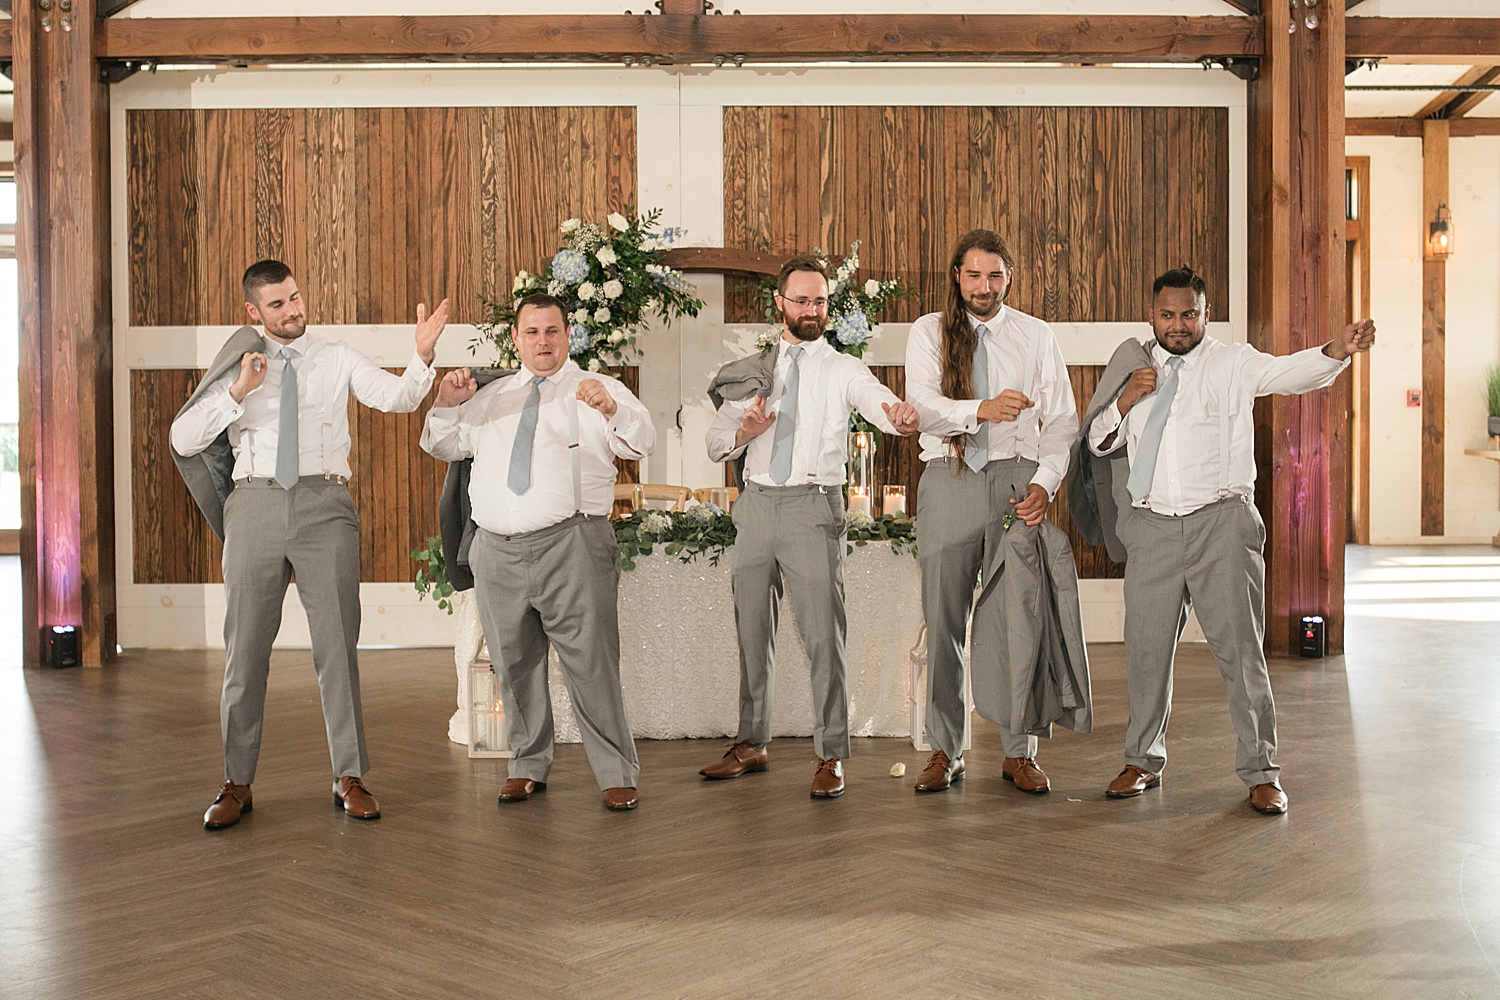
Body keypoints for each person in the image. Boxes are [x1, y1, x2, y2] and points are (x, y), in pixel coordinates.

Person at [1084, 266, 1375, 815]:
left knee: (1242, 655)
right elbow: (1098, 444)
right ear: (1151, 315)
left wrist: (1336, 349)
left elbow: (1288, 373)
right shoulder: (1133, 367)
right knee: (1146, 655)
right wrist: (1124, 402)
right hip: (1152, 528)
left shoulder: (1232, 362)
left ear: (1205, 313)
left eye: (1188, 314)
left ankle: (1262, 771)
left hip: (1222, 522)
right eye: (1167, 315)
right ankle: (1141, 759)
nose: (1177, 325)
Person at [171, 259, 448, 829]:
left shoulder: (335, 355)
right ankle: (235, 781)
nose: (293, 310)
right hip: (254, 506)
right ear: (253, 312)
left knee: (337, 647)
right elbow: (182, 436)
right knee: (244, 651)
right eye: (277, 304)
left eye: (295, 297)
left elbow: (396, 399)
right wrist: (237, 392)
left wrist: (420, 356)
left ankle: (349, 775)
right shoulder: (238, 367)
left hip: (326, 507)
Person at [421, 292, 651, 811]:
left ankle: (616, 771)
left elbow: (642, 442)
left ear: (568, 335)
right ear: (517, 339)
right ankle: (527, 764)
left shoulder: (598, 387)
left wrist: (612, 410)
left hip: (571, 543)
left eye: (552, 331)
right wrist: (445, 404)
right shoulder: (491, 396)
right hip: (496, 550)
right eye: (532, 332)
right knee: (513, 663)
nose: (542, 342)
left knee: (591, 662)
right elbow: (442, 446)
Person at [701, 255, 920, 799]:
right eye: (800, 300)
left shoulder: (842, 368)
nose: (810, 310)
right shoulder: (753, 370)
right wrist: (744, 432)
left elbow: (876, 402)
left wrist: (897, 413)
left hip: (813, 507)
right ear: (780, 303)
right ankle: (751, 743)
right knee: (753, 630)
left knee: (824, 635)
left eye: (819, 301)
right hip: (755, 507)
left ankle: (831, 754)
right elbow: (713, 444)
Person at [905, 229, 1087, 795]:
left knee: (1018, 617)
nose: (983, 287)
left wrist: (1045, 484)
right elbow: (921, 407)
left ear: (1010, 276)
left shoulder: (1036, 336)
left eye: (994, 276)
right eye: (973, 275)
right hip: (950, 476)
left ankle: (1019, 750)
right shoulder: (929, 332)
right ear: (956, 276)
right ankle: (944, 749)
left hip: (1016, 482)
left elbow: (1062, 423)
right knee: (945, 619)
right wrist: (980, 409)